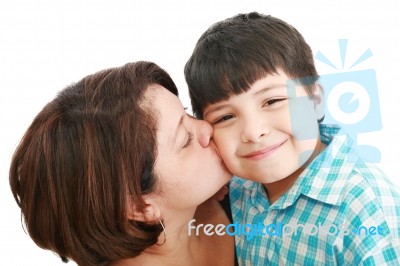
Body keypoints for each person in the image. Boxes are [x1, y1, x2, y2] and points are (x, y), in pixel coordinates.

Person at [184, 11, 400, 265]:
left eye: (273, 101)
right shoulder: (238, 187)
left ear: (315, 100)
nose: (254, 132)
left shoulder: (362, 203)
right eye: (225, 118)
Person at [9, 61, 235, 266]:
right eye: (185, 139)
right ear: (139, 206)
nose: (206, 127)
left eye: (186, 113)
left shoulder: (243, 192)